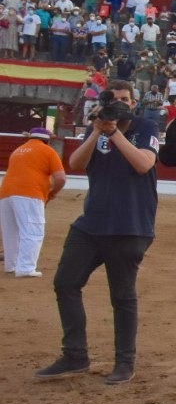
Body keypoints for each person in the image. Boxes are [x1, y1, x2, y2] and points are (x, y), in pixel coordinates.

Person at [35, 82, 158, 385]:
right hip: (92, 223)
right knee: (65, 282)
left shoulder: (144, 125)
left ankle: (124, 363)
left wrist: (114, 132)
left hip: (129, 225)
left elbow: (144, 164)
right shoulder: (99, 130)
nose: (119, 104)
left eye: (125, 99)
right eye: (112, 100)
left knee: (122, 296)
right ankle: (75, 355)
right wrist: (97, 130)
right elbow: (76, 163)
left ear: (135, 101)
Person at [0, 127, 66, 278]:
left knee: (11, 231)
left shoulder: (18, 150)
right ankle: (26, 268)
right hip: (29, 192)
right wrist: (52, 193)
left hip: (5, 193)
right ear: (47, 140)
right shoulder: (48, 151)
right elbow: (61, 178)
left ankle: (12, 265)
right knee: (32, 230)